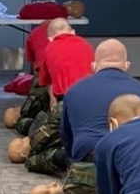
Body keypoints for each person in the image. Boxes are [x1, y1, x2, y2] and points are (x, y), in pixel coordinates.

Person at [55, 39, 140, 194]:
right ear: (127, 65)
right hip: (135, 170)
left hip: (89, 164)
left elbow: (67, 139)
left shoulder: (74, 90)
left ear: (93, 66)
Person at [24, 19, 95, 175]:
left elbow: (47, 83)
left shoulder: (49, 49)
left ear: (50, 38)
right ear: (73, 32)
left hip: (66, 101)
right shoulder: (86, 45)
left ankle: (65, 158)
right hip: (93, 101)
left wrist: (53, 105)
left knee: (35, 148)